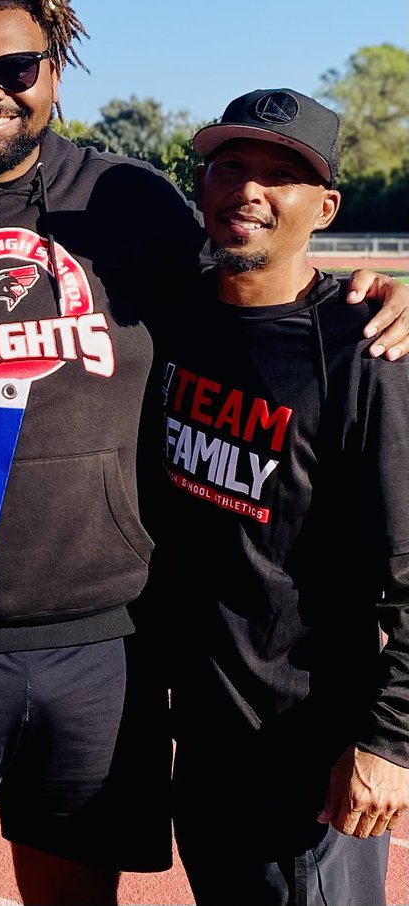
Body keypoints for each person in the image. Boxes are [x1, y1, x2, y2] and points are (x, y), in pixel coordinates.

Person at [0, 2, 408, 904]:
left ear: (55, 72)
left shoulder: (132, 206)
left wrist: (363, 300)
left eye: (16, 69)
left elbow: (257, 279)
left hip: (104, 645)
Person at [151, 88, 409, 906]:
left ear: (325, 206)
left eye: (281, 175)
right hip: (204, 739)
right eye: (232, 165)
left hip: (307, 756)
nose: (249, 190)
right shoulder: (173, 312)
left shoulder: (367, 348)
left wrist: (391, 740)